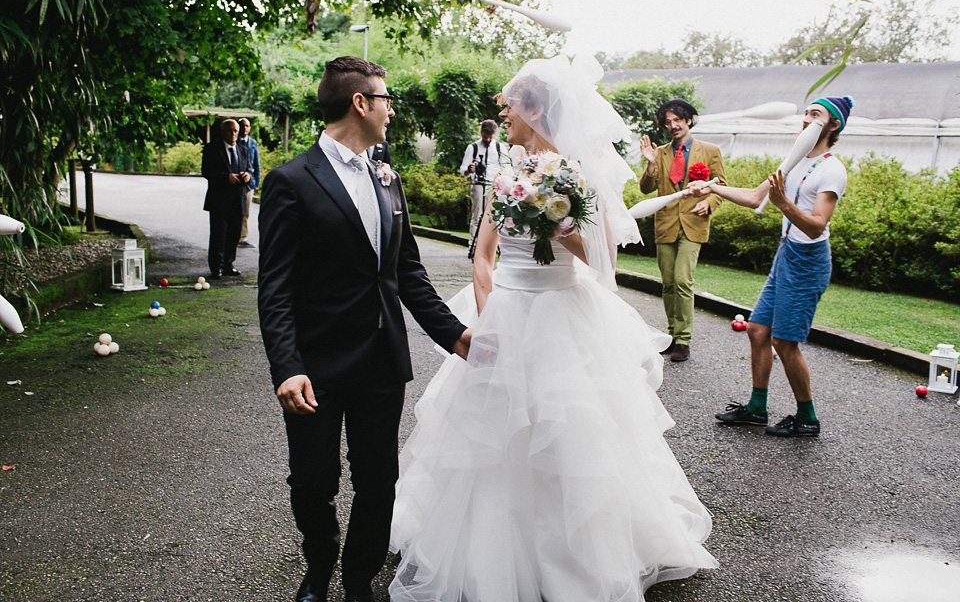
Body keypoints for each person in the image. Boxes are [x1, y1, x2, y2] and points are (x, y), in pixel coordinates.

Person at [389, 55, 716, 602]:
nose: (502, 112)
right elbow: (483, 254)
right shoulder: (505, 170)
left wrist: (553, 215)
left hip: (562, 312)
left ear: (535, 108)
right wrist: (489, 312)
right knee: (491, 437)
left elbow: (601, 256)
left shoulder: (575, 173)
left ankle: (573, 558)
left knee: (568, 434)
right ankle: (485, 554)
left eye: (510, 104)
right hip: (505, 310)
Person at [257, 56, 472, 602]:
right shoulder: (289, 181)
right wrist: (287, 367)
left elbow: (407, 274)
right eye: (385, 99)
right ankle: (319, 568)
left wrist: (458, 337)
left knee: (379, 481)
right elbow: (275, 288)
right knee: (312, 481)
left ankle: (358, 582)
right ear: (360, 103)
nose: (391, 110)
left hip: (381, 358)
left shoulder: (387, 175)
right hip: (316, 365)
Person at [687, 96, 854, 437]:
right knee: (758, 330)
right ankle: (757, 409)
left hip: (809, 260)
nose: (806, 118)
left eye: (816, 114)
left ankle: (807, 418)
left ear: (832, 125)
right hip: (786, 253)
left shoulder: (831, 169)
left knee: (785, 341)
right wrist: (710, 187)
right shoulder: (792, 161)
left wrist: (783, 203)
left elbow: (817, 225)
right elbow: (753, 197)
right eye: (807, 112)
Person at [637, 99, 726, 362]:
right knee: (667, 283)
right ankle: (672, 335)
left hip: (693, 223)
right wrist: (651, 164)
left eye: (677, 120)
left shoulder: (710, 151)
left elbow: (720, 186)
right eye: (667, 122)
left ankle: (684, 340)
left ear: (688, 120)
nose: (673, 126)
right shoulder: (660, 152)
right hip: (665, 223)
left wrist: (708, 203)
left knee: (682, 280)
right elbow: (646, 189)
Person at [201, 118, 250, 279]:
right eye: (230, 130)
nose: (233, 134)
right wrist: (225, 177)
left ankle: (229, 264)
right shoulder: (212, 149)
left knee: (234, 234)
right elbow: (206, 172)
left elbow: (249, 168)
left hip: (238, 198)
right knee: (218, 235)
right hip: (219, 199)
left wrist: (247, 175)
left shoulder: (243, 149)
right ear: (223, 132)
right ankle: (216, 267)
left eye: (235, 131)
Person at [459, 119, 508, 254]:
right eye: (484, 136)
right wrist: (470, 169)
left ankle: (494, 248)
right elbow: (463, 170)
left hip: (494, 185)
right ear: (481, 132)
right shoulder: (473, 147)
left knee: (494, 215)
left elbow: (506, 167)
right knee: (476, 216)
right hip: (477, 184)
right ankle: (473, 247)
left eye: (489, 137)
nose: (487, 139)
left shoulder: (500, 148)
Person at [237, 117, 261, 249]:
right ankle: (234, 236)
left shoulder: (253, 143)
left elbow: (256, 163)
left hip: (249, 183)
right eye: (242, 126)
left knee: (246, 212)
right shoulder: (234, 142)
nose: (245, 128)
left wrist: (256, 181)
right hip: (236, 182)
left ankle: (242, 238)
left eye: (247, 126)